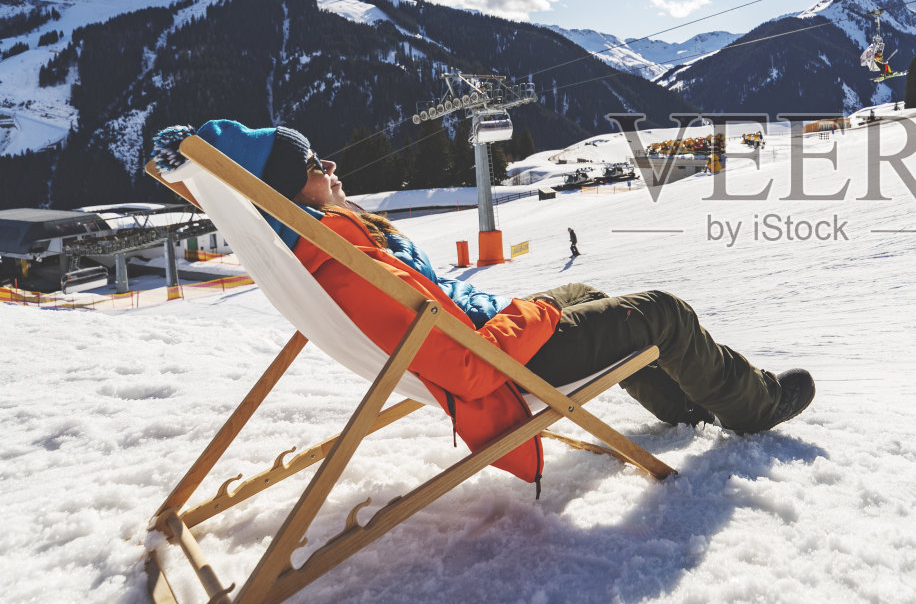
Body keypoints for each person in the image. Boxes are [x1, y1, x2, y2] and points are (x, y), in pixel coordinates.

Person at [151, 120, 815, 488]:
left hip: (485, 337)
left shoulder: (316, 247)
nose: (331, 165)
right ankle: (752, 406)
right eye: (316, 162)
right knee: (664, 311)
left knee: (586, 294)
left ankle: (686, 402)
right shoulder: (346, 260)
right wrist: (530, 317)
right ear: (292, 189)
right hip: (500, 365)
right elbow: (468, 368)